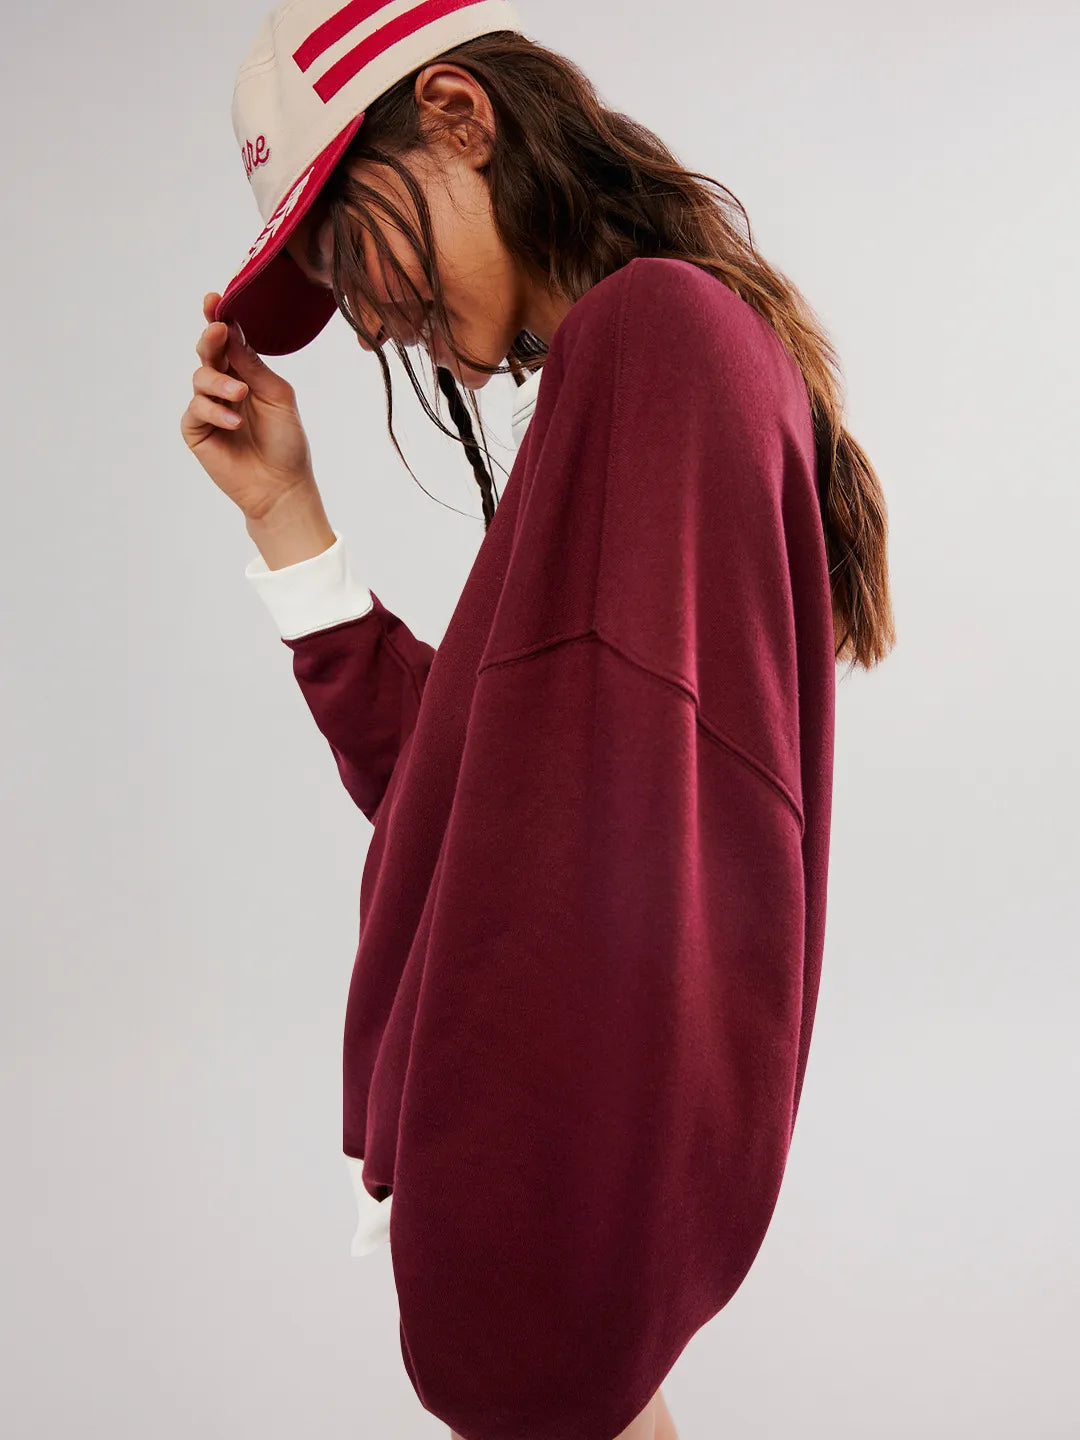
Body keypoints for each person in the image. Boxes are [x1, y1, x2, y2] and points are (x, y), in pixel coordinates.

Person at [180, 5, 896, 1439]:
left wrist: (512, 1211)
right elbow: (483, 799)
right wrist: (287, 517)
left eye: (355, 254)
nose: (371, 321)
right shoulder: (664, 351)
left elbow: (601, 865)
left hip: (556, 1176)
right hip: (580, 1176)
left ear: (459, 117)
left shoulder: (653, 339)